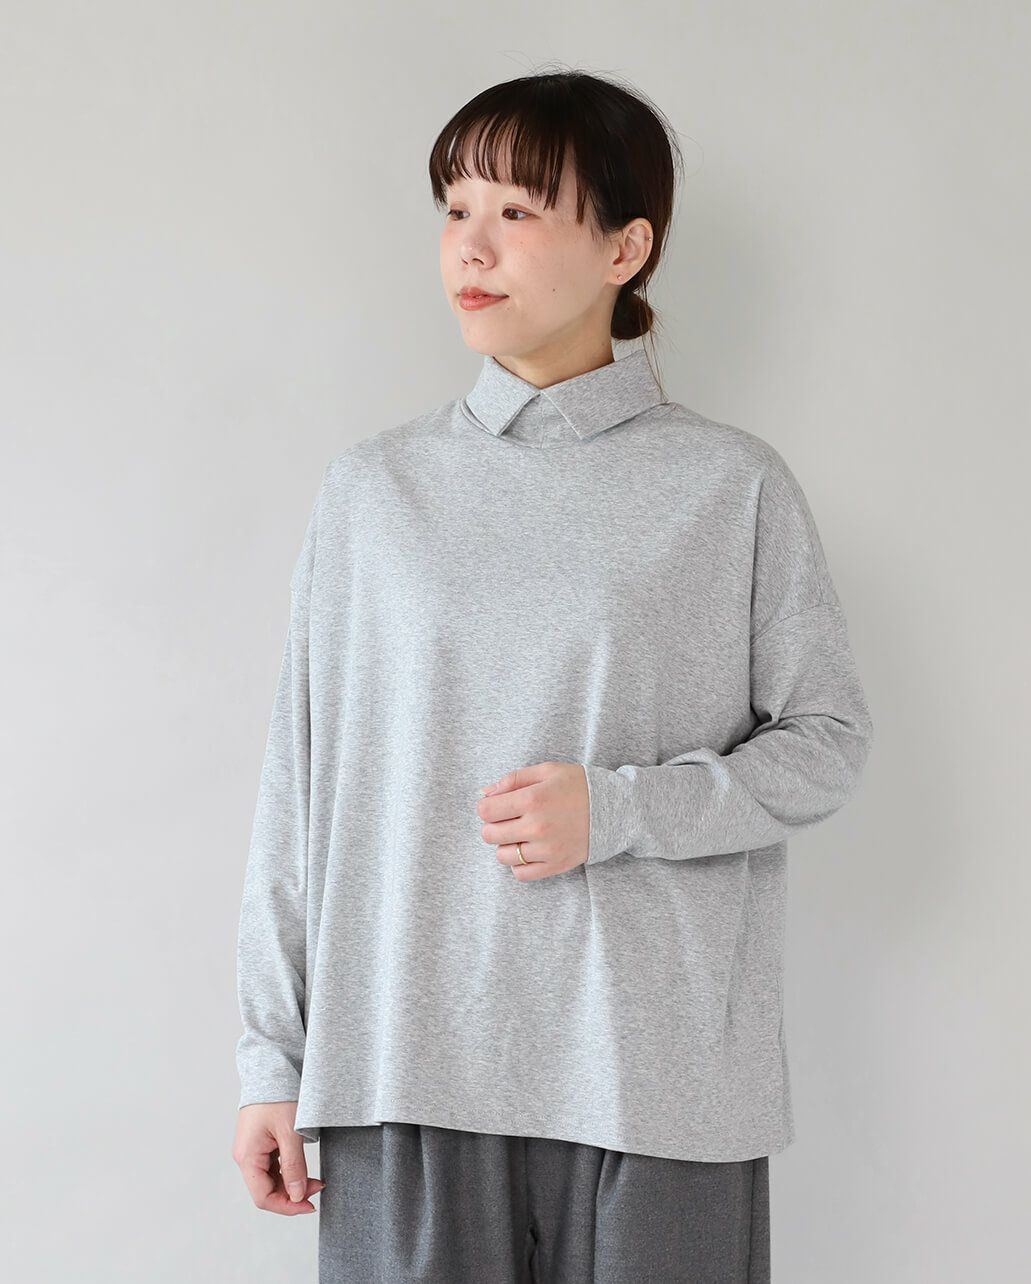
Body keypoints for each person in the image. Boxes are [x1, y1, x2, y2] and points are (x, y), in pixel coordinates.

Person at [231, 68, 873, 1283]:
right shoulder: (373, 492)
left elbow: (824, 740)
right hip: (403, 1065)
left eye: (516, 212)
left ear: (625, 247)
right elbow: (299, 790)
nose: (470, 247)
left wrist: (618, 810)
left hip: (655, 1077)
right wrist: (272, 1058)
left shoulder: (727, 486)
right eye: (454, 209)